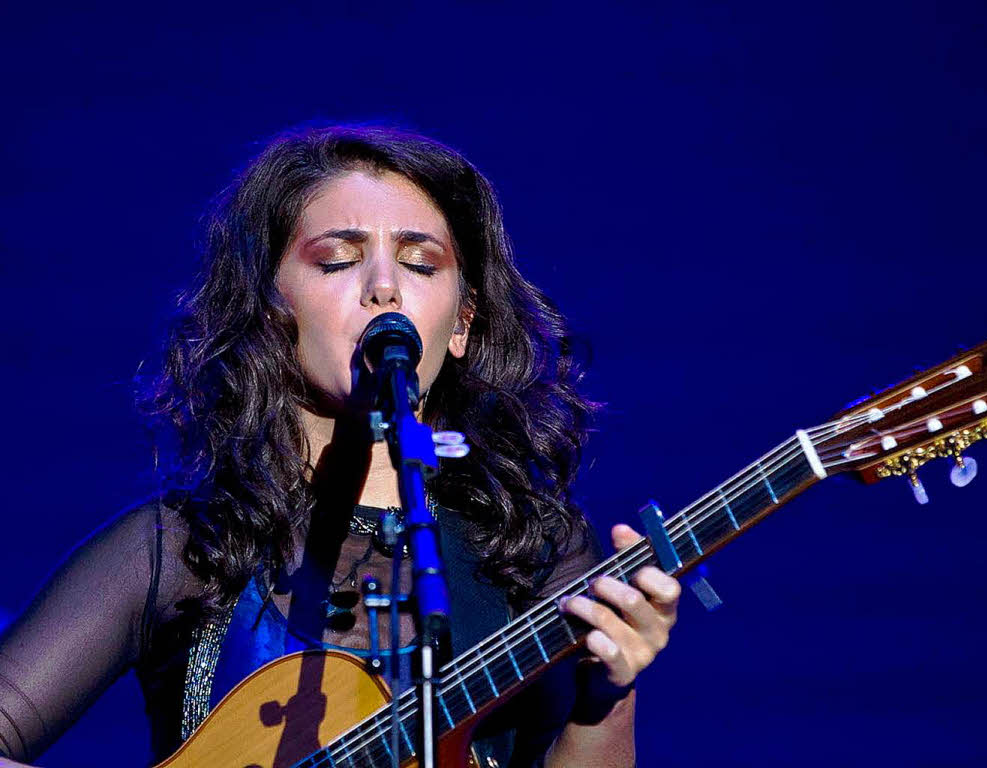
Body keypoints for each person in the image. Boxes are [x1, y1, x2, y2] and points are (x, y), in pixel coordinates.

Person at [0, 126, 681, 767]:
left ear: (460, 326)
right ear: (270, 313)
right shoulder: (187, 547)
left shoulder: (531, 550)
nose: (384, 286)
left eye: (419, 263)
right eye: (336, 260)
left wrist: (606, 700)